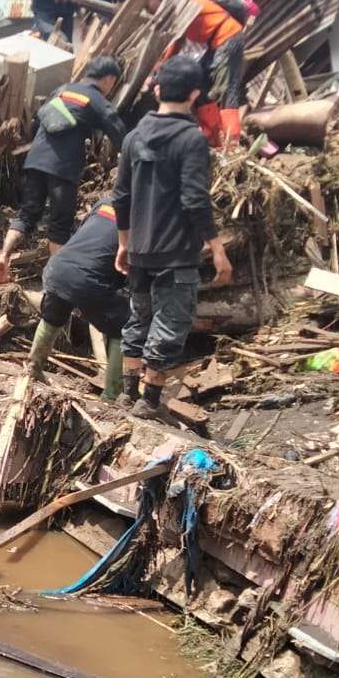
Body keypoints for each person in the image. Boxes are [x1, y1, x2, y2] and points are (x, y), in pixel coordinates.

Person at [112, 55, 233, 419]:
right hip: (176, 252)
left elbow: (121, 196)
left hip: (140, 250)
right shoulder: (191, 140)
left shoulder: (133, 138)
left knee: (139, 319)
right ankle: (149, 403)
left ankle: (127, 395)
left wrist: (123, 242)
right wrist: (217, 248)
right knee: (170, 323)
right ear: (195, 94)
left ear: (157, 90)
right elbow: (195, 199)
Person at [0, 55, 127, 277]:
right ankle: (54, 277)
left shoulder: (61, 90)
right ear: (109, 79)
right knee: (60, 226)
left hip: (35, 161)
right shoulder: (96, 100)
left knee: (27, 215)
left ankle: (3, 255)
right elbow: (120, 134)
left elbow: (38, 121)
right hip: (63, 169)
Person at [27, 198, 131, 400]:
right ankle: (112, 395)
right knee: (124, 328)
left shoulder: (105, 203)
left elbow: (83, 237)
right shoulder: (143, 221)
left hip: (58, 267)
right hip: (88, 279)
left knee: (53, 317)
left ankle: (33, 367)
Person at [149, 0, 247, 146]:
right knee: (200, 83)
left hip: (228, 37)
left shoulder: (186, 4)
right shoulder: (179, 9)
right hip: (216, 42)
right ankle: (212, 135)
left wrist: (161, 69)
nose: (149, 9)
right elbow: (178, 42)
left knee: (227, 90)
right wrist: (163, 68)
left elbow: (176, 41)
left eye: (149, 2)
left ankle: (231, 141)